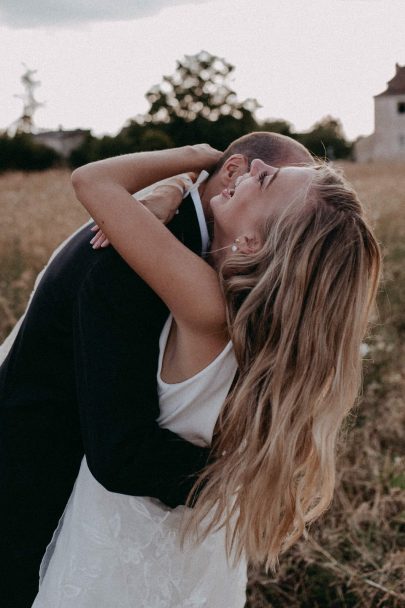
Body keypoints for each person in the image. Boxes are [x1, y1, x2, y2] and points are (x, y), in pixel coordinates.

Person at [31, 143, 380, 606]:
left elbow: (93, 181)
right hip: (196, 552)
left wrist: (195, 160)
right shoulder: (276, 337)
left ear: (252, 243)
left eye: (267, 179)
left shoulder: (204, 303)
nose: (255, 167)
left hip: (117, 549)